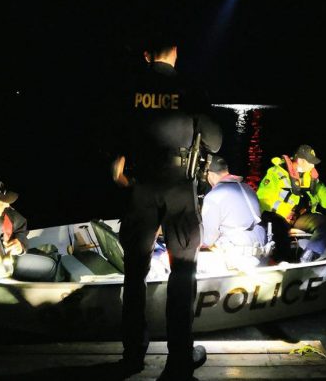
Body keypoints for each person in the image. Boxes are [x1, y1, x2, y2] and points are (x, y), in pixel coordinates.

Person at [111, 31, 222, 380]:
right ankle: (179, 358)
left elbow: (114, 149)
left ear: (146, 55)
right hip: (178, 190)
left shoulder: (128, 89)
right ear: (175, 52)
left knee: (134, 273)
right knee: (183, 273)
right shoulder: (191, 89)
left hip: (141, 188)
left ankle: (132, 354)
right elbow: (216, 143)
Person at [256, 145, 326, 263]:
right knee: (280, 234)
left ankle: (308, 256)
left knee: (325, 223)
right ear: (300, 160)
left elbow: (324, 194)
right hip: (278, 217)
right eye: (310, 163)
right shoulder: (275, 173)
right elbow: (263, 198)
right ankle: (281, 263)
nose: (313, 166)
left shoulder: (310, 176)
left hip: (300, 217)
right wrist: (286, 211)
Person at [200, 156, 266, 270]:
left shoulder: (214, 196)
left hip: (236, 256)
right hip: (261, 248)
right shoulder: (248, 188)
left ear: (210, 174)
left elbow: (208, 239)